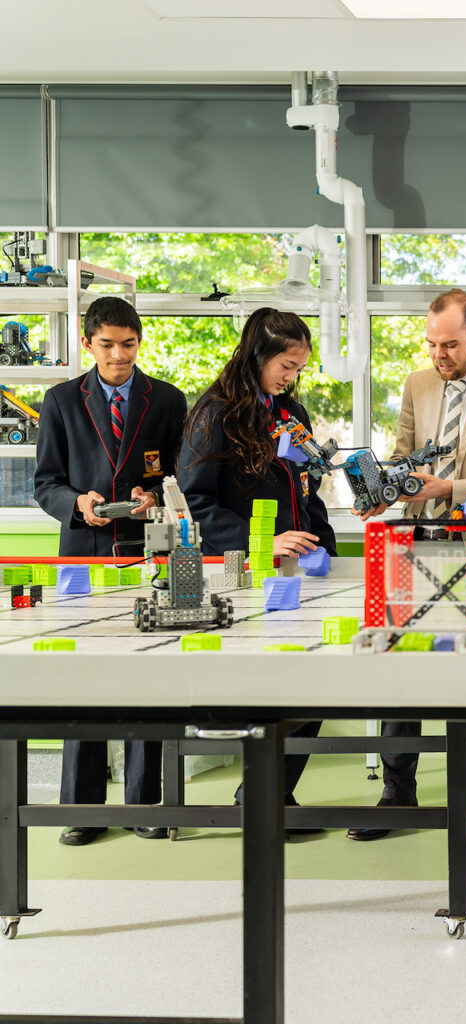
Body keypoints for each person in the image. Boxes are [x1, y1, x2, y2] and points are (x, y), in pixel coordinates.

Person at [348, 288, 466, 839]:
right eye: (431, 344)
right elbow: (404, 454)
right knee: (400, 664)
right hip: (412, 541)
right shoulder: (417, 384)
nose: (438, 355)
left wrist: (449, 485)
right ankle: (396, 789)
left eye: (449, 344)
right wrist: (386, 488)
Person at [34, 296, 187, 845]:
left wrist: (158, 496)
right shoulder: (59, 401)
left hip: (149, 550)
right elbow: (45, 483)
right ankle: (81, 809)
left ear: (139, 341)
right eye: (107, 345)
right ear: (87, 343)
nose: (119, 355)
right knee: (85, 678)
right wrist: (78, 503)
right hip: (84, 553)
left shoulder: (167, 400)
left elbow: (180, 477)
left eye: (128, 344)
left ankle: (145, 803)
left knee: (148, 675)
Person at [178, 308, 336, 831]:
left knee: (314, 685)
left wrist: (327, 552)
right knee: (272, 687)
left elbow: (306, 489)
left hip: (297, 573)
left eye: (298, 368)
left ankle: (268, 791)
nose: (291, 376)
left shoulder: (291, 414)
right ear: (258, 354)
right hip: (241, 572)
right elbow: (196, 503)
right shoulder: (215, 413)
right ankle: (263, 794)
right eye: (286, 365)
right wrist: (260, 542)